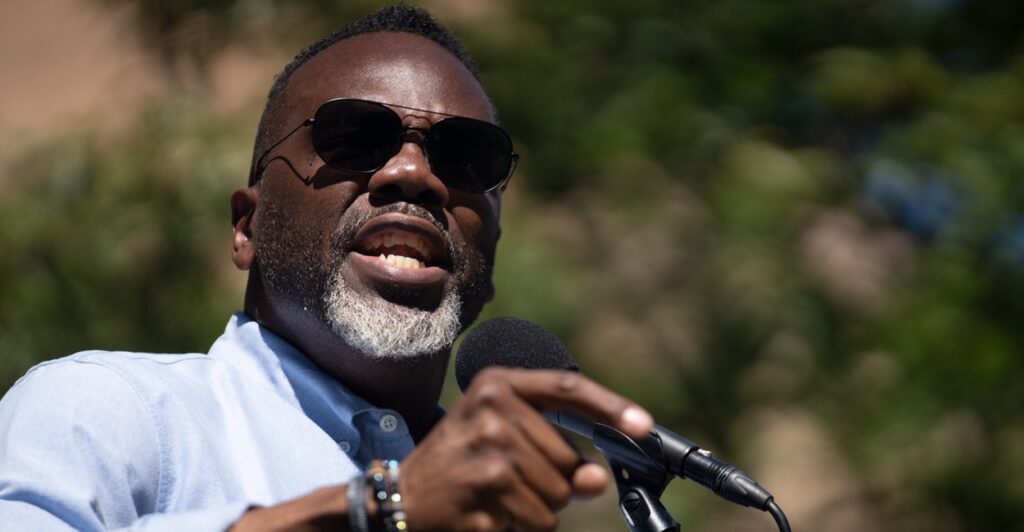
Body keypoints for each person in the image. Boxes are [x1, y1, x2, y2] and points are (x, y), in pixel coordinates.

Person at [0, 5, 653, 531]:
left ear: (493, 253)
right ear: (247, 226)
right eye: (354, 137)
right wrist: (373, 510)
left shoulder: (501, 506)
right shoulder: (111, 412)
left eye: (466, 157)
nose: (414, 174)